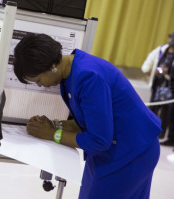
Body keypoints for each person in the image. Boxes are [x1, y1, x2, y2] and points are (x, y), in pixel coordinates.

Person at [13, 33, 161, 199]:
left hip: (132, 152)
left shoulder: (88, 77)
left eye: (39, 80)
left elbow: (99, 140)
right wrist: (55, 125)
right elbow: (88, 123)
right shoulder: (70, 72)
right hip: (118, 147)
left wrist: (52, 134)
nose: (41, 85)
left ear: (52, 66)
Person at [141, 31, 174, 139]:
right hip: (158, 85)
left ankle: (161, 135)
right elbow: (145, 67)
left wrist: (169, 72)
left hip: (171, 87)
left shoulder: (164, 50)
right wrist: (153, 74)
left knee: (166, 113)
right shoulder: (161, 50)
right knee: (154, 110)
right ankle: (151, 132)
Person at [158, 34, 174, 148]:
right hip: (172, 88)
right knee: (171, 116)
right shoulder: (171, 54)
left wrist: (169, 71)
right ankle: (171, 138)